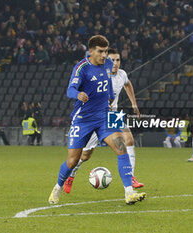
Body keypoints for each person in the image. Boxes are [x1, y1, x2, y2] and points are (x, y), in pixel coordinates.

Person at [48, 35, 146, 205]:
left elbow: (108, 82)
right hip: (83, 119)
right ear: (91, 51)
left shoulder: (108, 65)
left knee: (122, 146)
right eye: (101, 51)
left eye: (106, 51)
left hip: (105, 115)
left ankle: (129, 192)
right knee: (75, 159)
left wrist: (110, 97)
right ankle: (58, 187)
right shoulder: (82, 68)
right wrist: (78, 94)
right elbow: (70, 89)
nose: (104, 55)